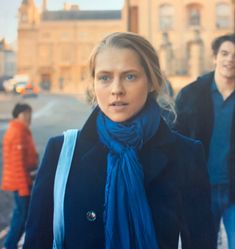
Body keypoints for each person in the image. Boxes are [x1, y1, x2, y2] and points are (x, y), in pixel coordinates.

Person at [23, 32, 215, 249]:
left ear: (152, 81)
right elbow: (37, 241)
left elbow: (201, 242)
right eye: (104, 77)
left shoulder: (185, 154)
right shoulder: (61, 153)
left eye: (129, 76)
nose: (116, 90)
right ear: (94, 84)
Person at [174, 33, 235, 249]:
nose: (230, 59)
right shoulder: (191, 94)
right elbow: (176, 139)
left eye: (234, 55)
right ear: (215, 58)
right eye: (225, 54)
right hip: (200, 189)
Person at [1, 103, 38, 249]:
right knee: (21, 217)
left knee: (22, 215)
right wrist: (24, 189)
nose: (30, 118)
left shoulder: (21, 130)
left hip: (23, 180)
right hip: (20, 182)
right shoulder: (18, 132)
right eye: (29, 114)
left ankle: (13, 243)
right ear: (21, 115)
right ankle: (10, 245)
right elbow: (18, 165)